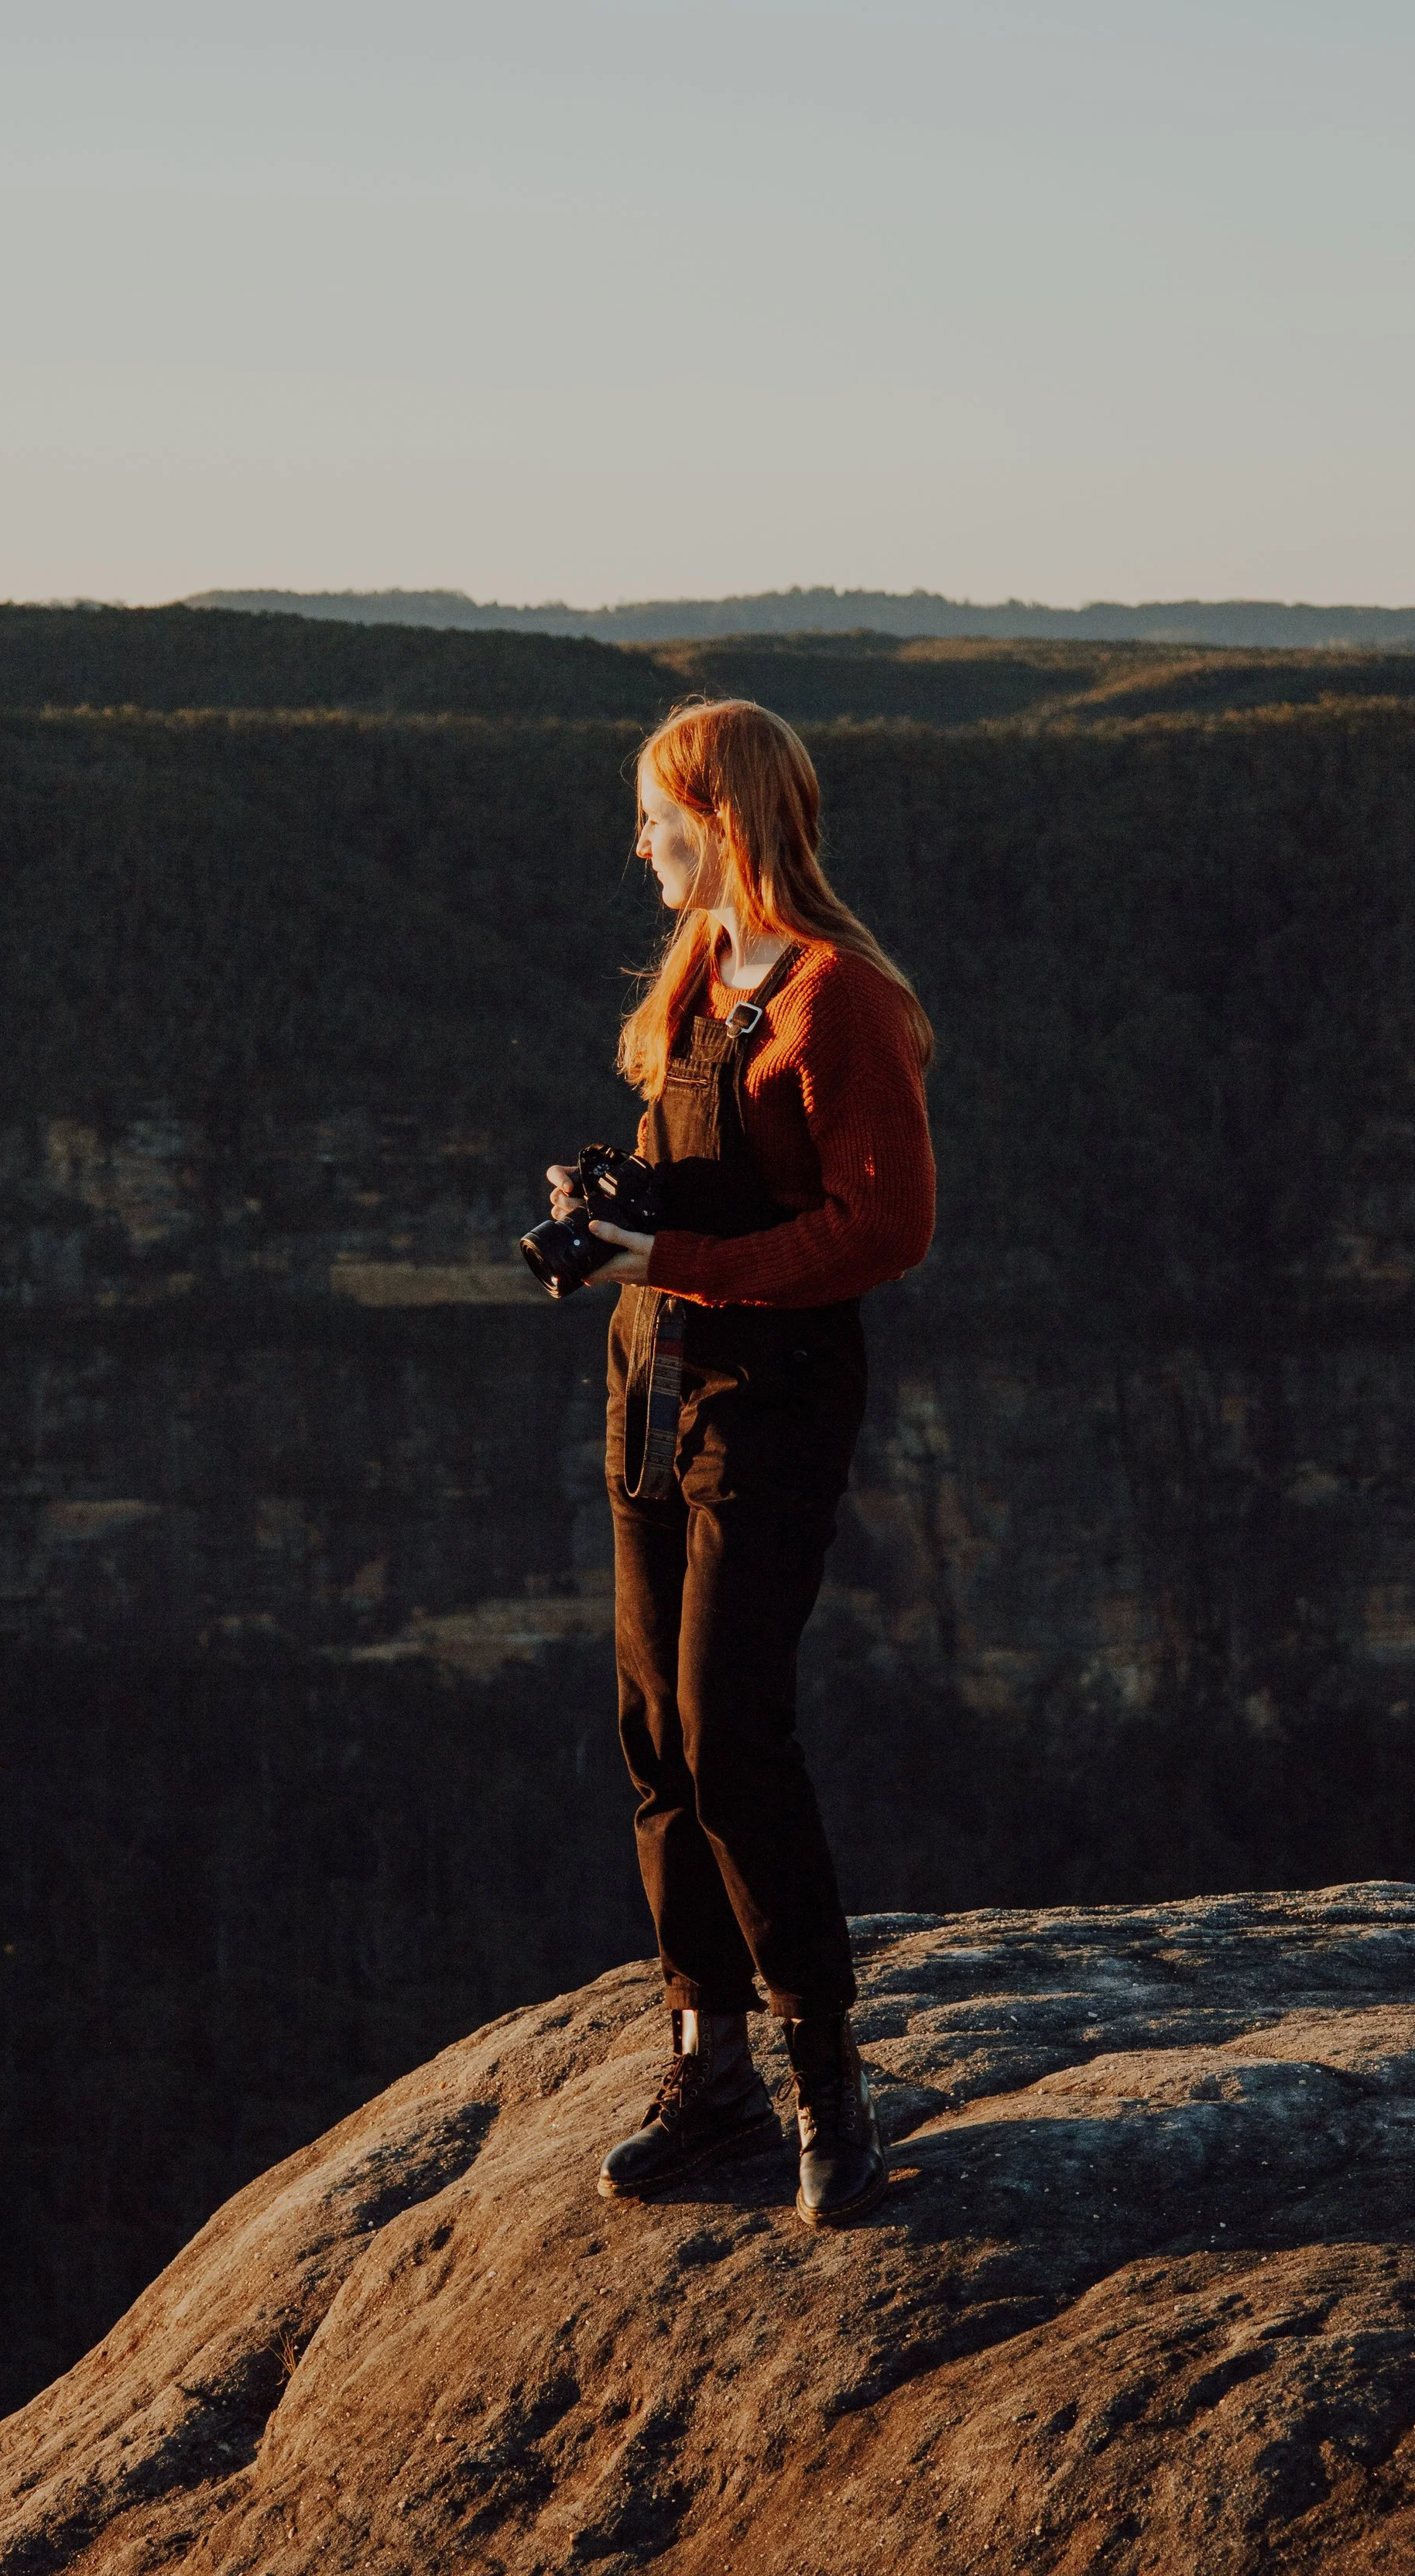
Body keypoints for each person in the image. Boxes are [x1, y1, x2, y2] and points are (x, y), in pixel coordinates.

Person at [548, 698, 935, 2226]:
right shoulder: (703, 972)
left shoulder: (840, 996)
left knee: (730, 1732)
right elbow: (709, 1178)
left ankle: (823, 2083)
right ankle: (704, 2065)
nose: (634, 840)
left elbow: (882, 1229)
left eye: (651, 815)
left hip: (770, 1393)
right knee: (652, 1729)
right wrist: (613, 1203)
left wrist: (680, 1254)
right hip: (651, 1383)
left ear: (716, 819)